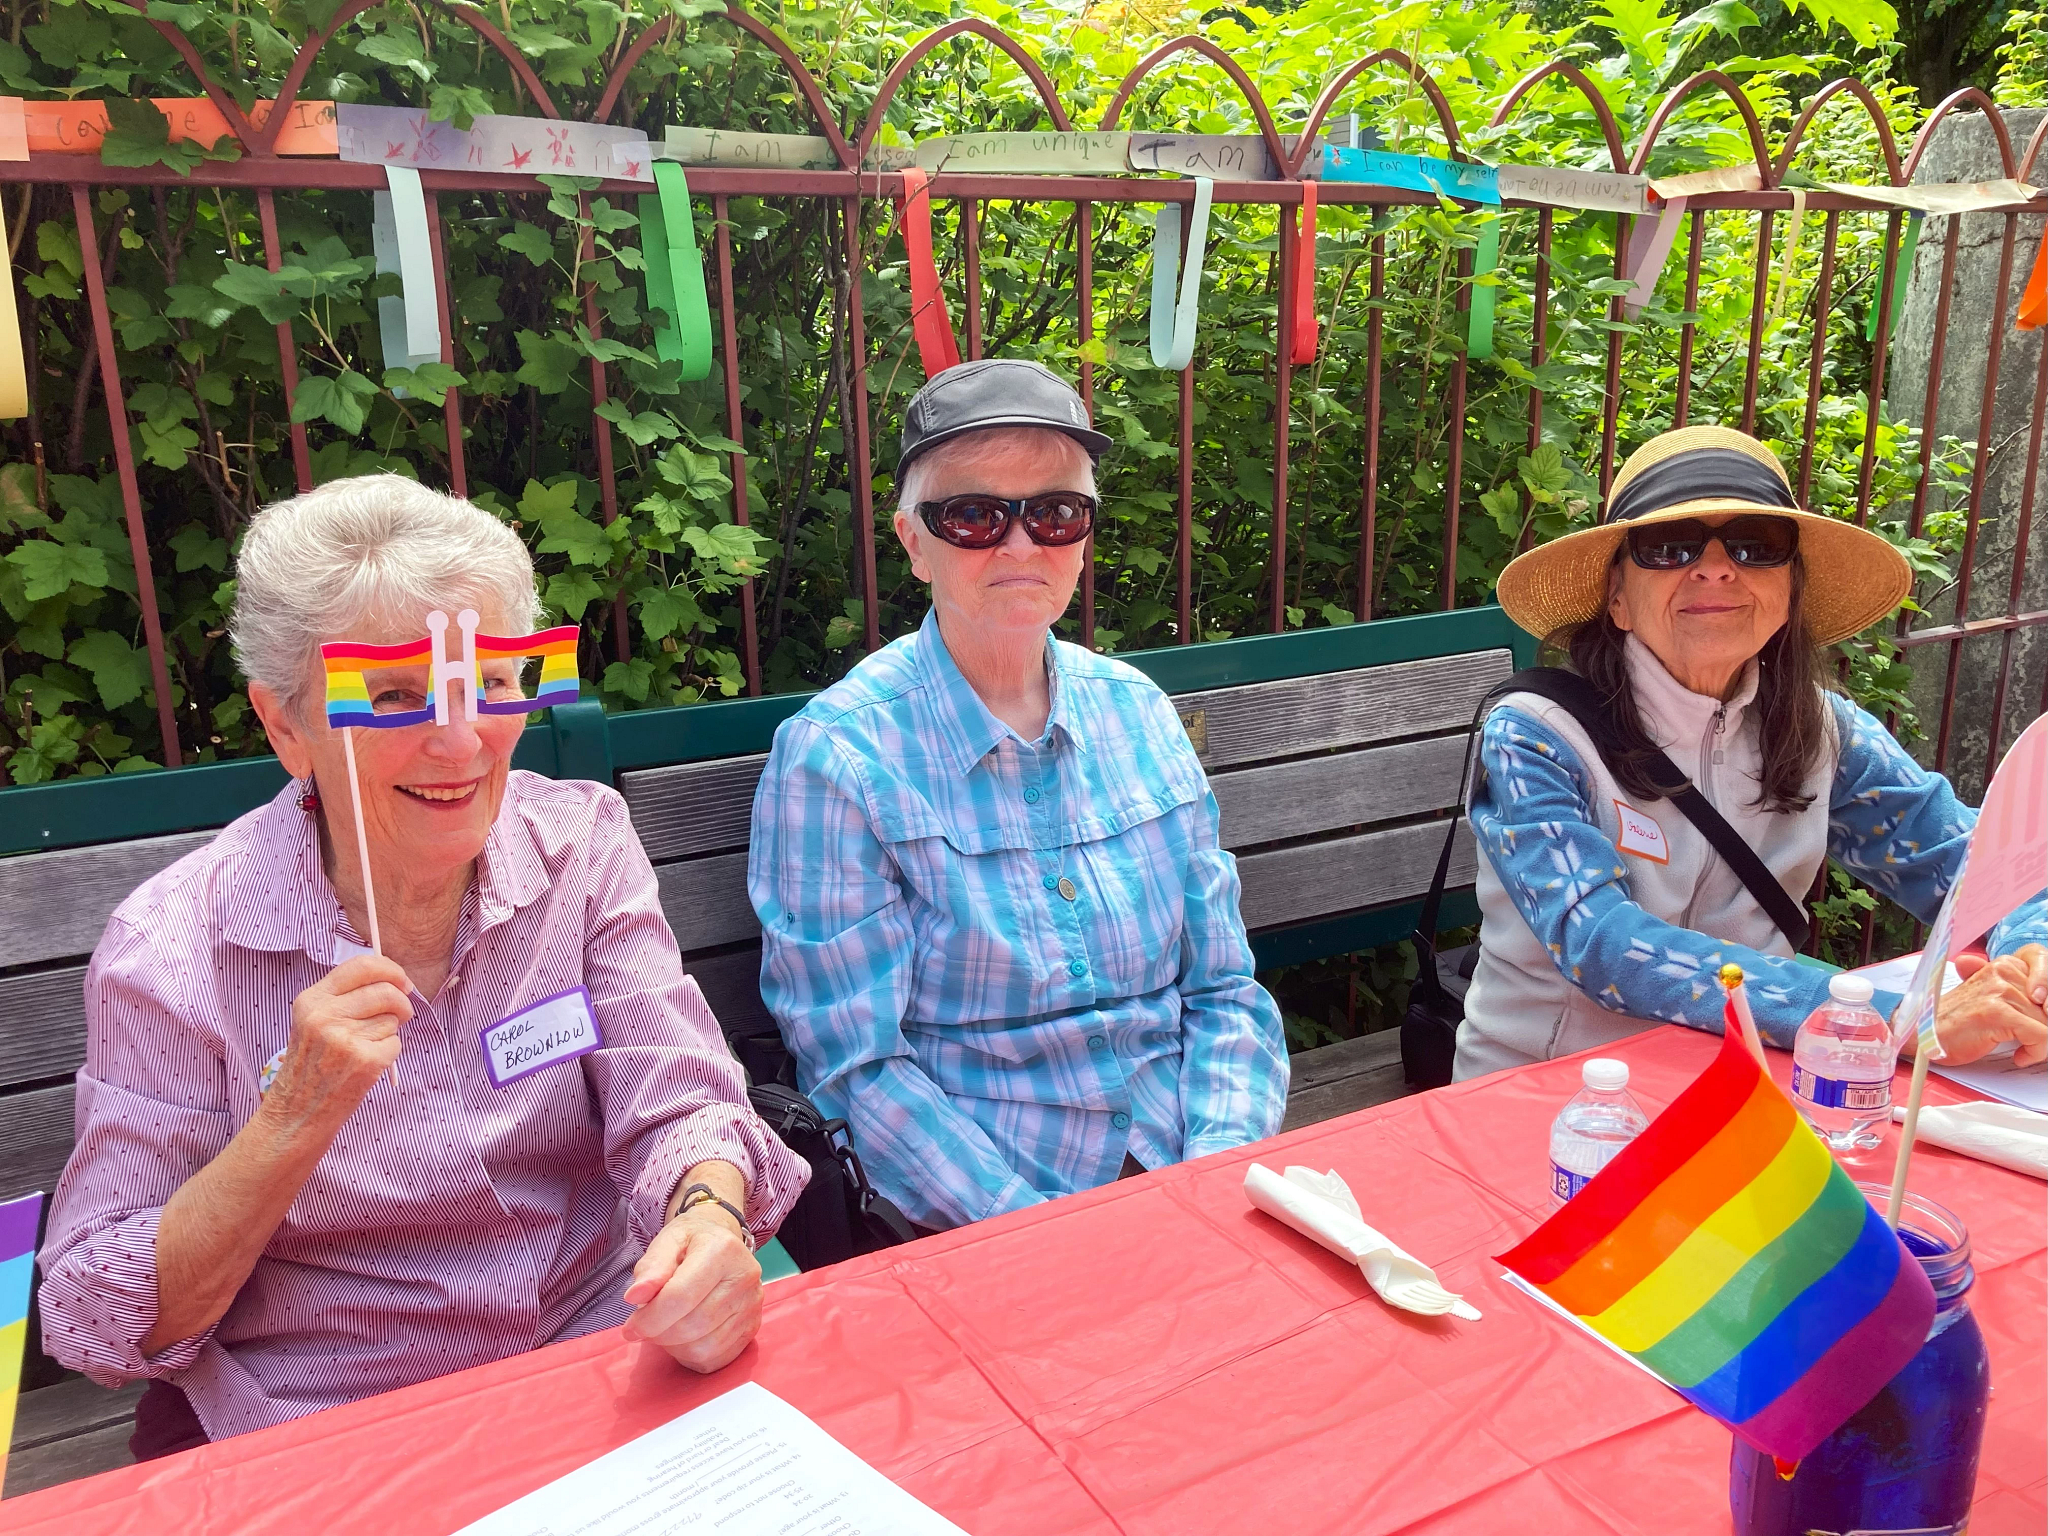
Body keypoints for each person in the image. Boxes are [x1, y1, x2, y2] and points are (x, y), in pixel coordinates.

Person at [39, 477, 808, 1453]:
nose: (458, 740)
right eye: (393, 693)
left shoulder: (578, 847)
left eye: (491, 680)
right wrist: (290, 1121)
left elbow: (678, 1097)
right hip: (340, 1420)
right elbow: (98, 1317)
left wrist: (706, 1214)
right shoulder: (174, 950)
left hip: (607, 1358)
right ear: (284, 727)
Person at [747, 359, 1288, 1232]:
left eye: (1056, 512)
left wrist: (1219, 1175)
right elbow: (858, 1070)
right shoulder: (838, 758)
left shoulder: (1139, 713)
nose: (1021, 544)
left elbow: (1223, 991)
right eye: (972, 515)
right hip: (984, 1209)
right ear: (913, 541)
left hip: (1193, 1167)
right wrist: (1038, 1235)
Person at [1455, 424, 2048, 1079]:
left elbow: (1985, 867)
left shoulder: (1821, 729)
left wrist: (2032, 964)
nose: (1715, 567)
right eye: (1668, 547)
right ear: (1617, 598)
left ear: (1788, 591)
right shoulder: (1536, 734)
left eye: (1755, 545)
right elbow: (1604, 945)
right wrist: (1895, 1019)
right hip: (1550, 1089)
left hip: (1750, 1085)